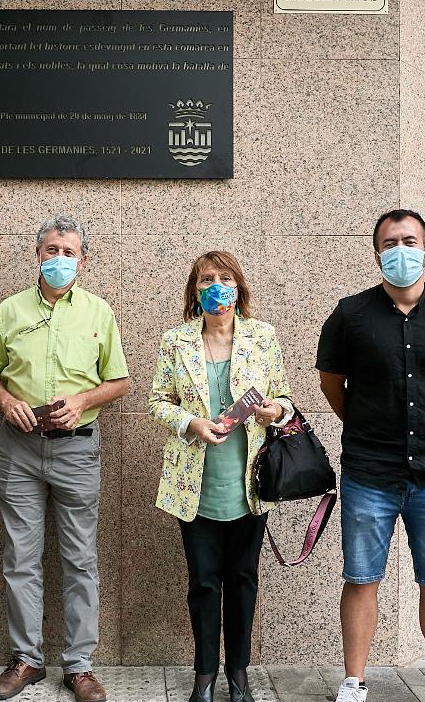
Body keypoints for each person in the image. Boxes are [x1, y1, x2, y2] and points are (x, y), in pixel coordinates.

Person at [316, 210, 425, 702]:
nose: (400, 250)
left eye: (410, 241)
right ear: (377, 254)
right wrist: (370, 426)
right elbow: (332, 384)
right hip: (369, 472)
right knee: (362, 577)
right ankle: (354, 680)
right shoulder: (350, 314)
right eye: (389, 243)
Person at [0, 215, 130, 702]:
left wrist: (84, 401)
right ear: (36, 255)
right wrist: (6, 401)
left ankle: (79, 666)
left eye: (69, 251)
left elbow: (121, 380)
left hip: (77, 450)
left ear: (84, 259)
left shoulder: (99, 312)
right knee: (20, 558)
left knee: (80, 560)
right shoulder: (10, 311)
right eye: (51, 250)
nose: (59, 259)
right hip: (18, 449)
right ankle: (26, 660)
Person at [148, 251, 295, 702]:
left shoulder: (262, 336)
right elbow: (158, 401)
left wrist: (275, 410)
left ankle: (239, 676)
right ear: (195, 289)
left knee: (243, 579)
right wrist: (191, 423)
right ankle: (204, 677)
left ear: (238, 287)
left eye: (224, 278)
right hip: (193, 484)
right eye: (207, 278)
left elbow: (285, 400)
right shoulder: (176, 341)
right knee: (204, 582)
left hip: (248, 483)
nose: (216, 286)